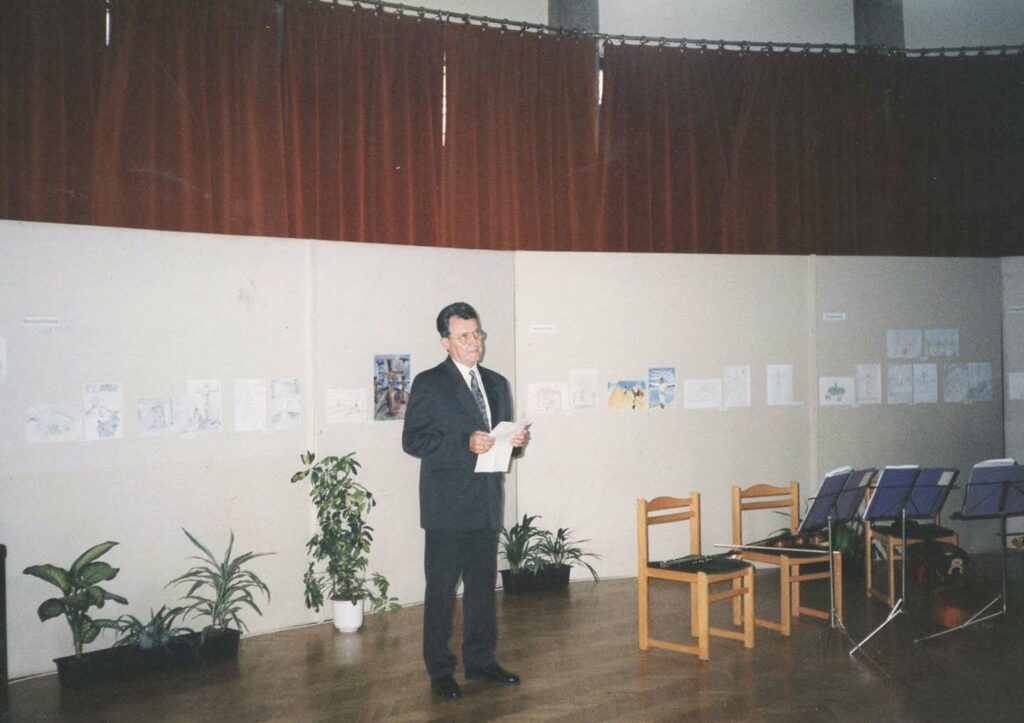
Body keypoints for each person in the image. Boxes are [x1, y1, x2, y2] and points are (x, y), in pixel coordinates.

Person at [402, 302, 529, 700]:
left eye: (477, 333)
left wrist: (516, 442)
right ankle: (440, 670)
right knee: (441, 592)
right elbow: (413, 440)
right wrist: (464, 443)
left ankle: (481, 661)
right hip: (446, 506)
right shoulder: (429, 383)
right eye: (464, 336)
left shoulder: (497, 383)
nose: (474, 342)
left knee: (481, 589)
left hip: (485, 501)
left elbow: (500, 443)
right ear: (446, 342)